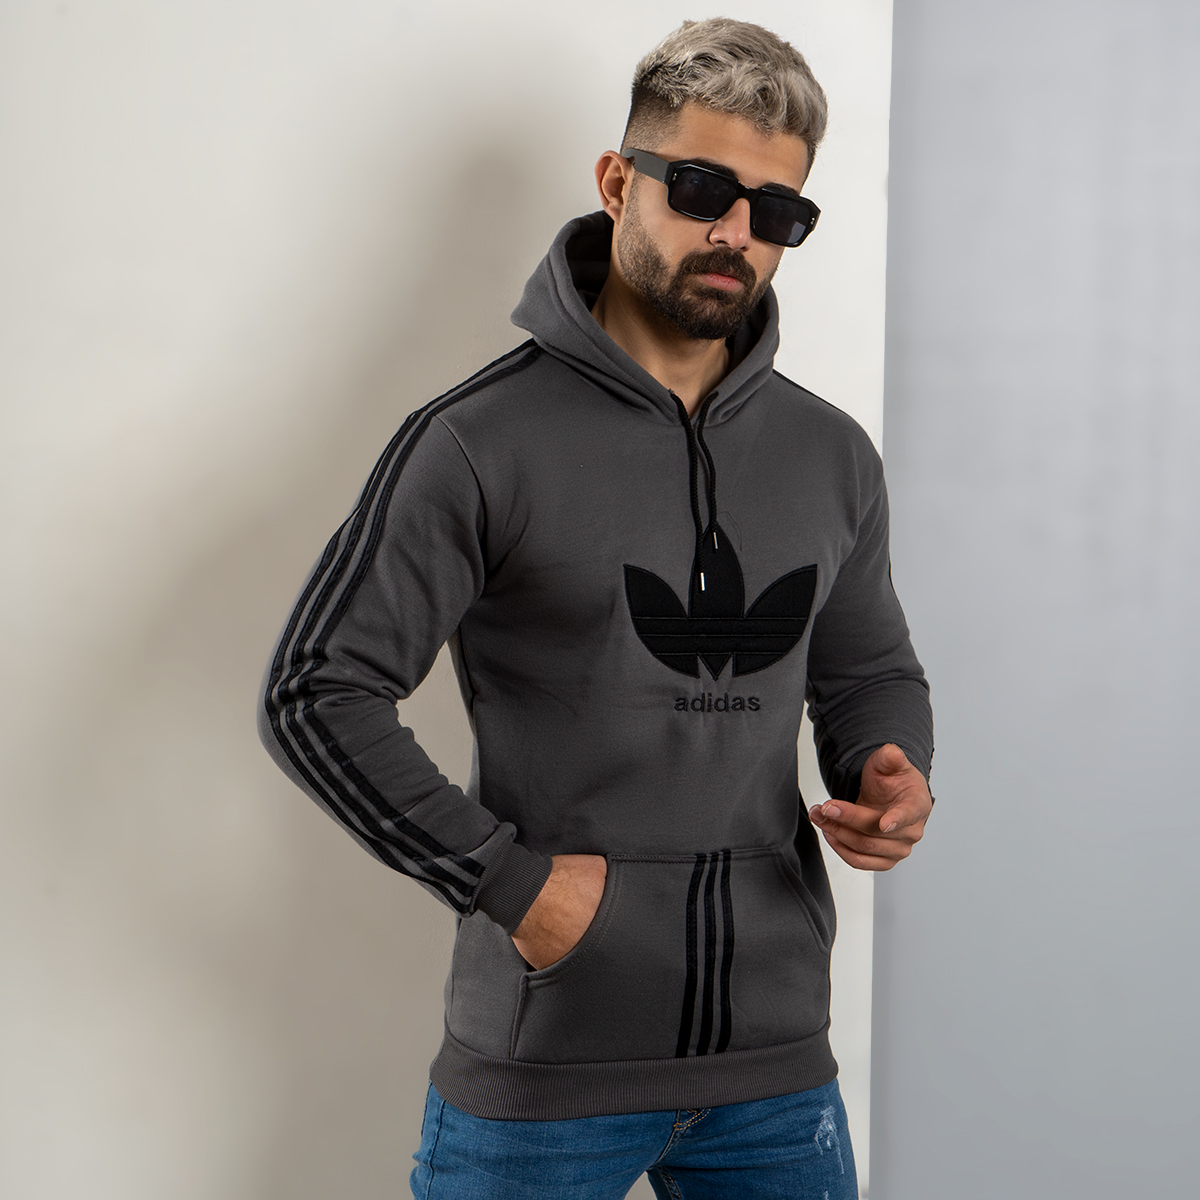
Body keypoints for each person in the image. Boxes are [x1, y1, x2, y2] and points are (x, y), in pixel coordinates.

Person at [259, 17, 934, 1200]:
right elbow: (316, 694)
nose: (735, 233)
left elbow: (867, 666)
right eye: (702, 189)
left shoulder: (831, 455)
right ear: (620, 182)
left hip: (777, 1076)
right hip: (543, 1075)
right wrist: (517, 890)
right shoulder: (475, 443)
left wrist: (889, 761)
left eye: (776, 212)